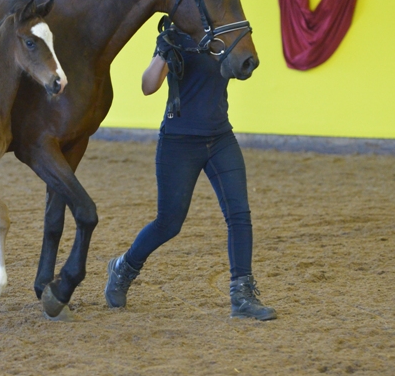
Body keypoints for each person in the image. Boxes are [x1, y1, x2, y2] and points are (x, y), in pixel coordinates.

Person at [104, 26, 276, 321]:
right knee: (168, 223)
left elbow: (241, 67)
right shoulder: (175, 37)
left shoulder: (222, 35)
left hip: (221, 137)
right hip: (179, 141)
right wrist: (162, 53)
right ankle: (124, 267)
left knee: (239, 215)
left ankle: (242, 295)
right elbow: (148, 86)